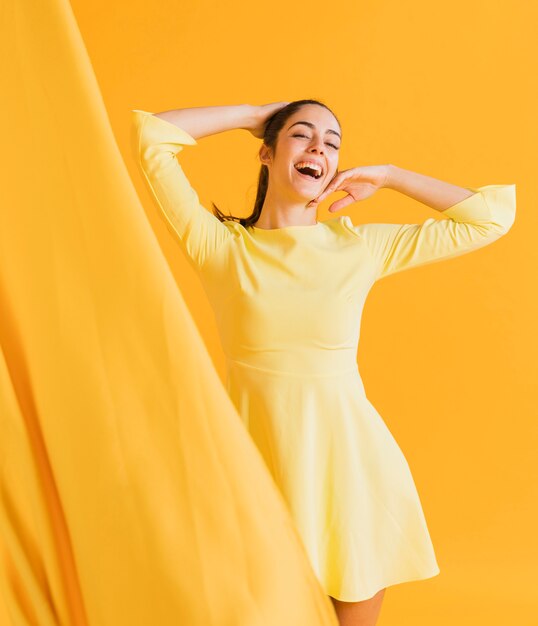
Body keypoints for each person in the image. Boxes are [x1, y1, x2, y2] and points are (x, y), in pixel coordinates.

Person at [131, 100, 516, 626]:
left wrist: (390, 176)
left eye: (332, 143)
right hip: (256, 478)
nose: (319, 149)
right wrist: (254, 114)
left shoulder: (357, 246)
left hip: (351, 475)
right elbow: (152, 138)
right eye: (302, 135)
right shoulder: (221, 248)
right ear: (266, 153)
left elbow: (490, 219)